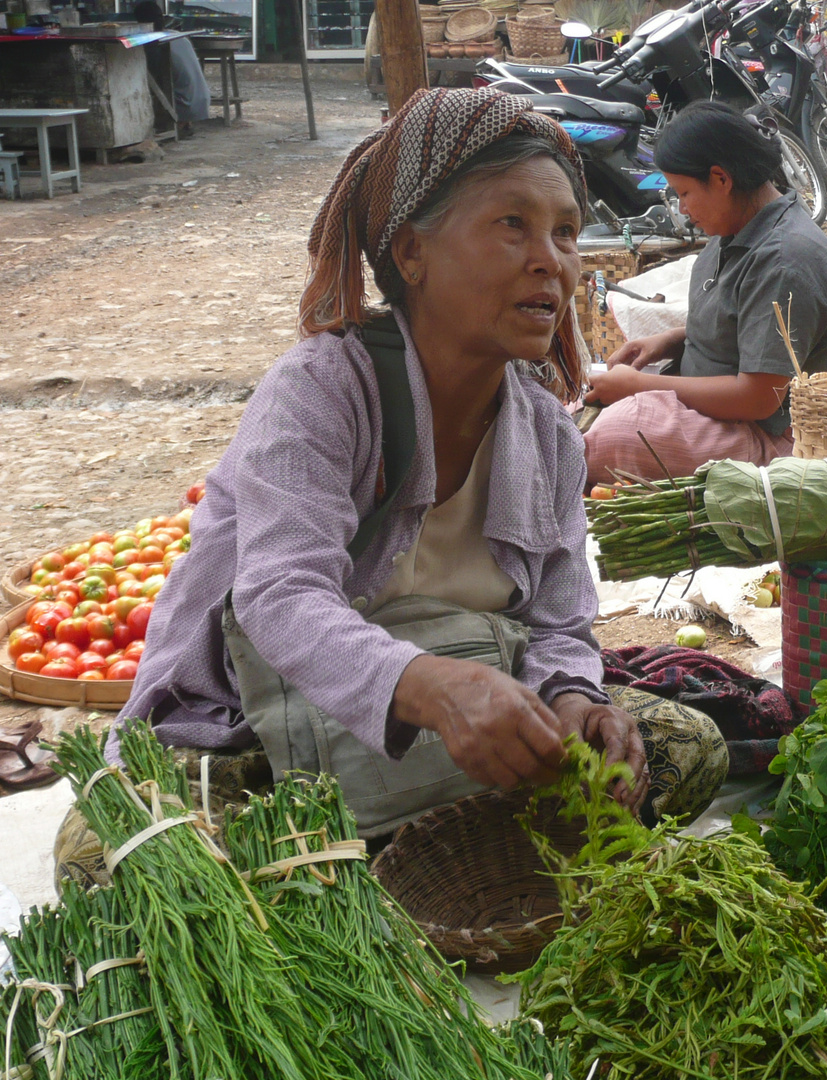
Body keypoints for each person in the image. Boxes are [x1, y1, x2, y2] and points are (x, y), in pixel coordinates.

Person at [98, 88, 727, 848]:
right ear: (412, 252)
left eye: (566, 233)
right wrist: (426, 687)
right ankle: (418, 843)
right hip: (277, 729)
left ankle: (408, 844)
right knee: (120, 849)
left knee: (682, 747)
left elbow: (560, 622)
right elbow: (281, 594)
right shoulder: (325, 389)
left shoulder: (549, 436)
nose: (550, 261)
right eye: (512, 225)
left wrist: (571, 700)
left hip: (465, 717)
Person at [583, 101, 827, 486]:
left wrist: (641, 385)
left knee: (612, 437)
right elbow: (741, 328)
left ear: (721, 179)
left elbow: (759, 397)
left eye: (684, 193)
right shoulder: (734, 230)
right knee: (571, 417)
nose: (682, 209)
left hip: (772, 436)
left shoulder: (786, 261)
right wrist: (669, 342)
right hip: (723, 411)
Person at [133, 1, 211, 133]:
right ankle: (184, 122)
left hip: (184, 106)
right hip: (201, 102)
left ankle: (175, 123)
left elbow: (150, 79)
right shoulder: (177, 36)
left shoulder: (155, 45)